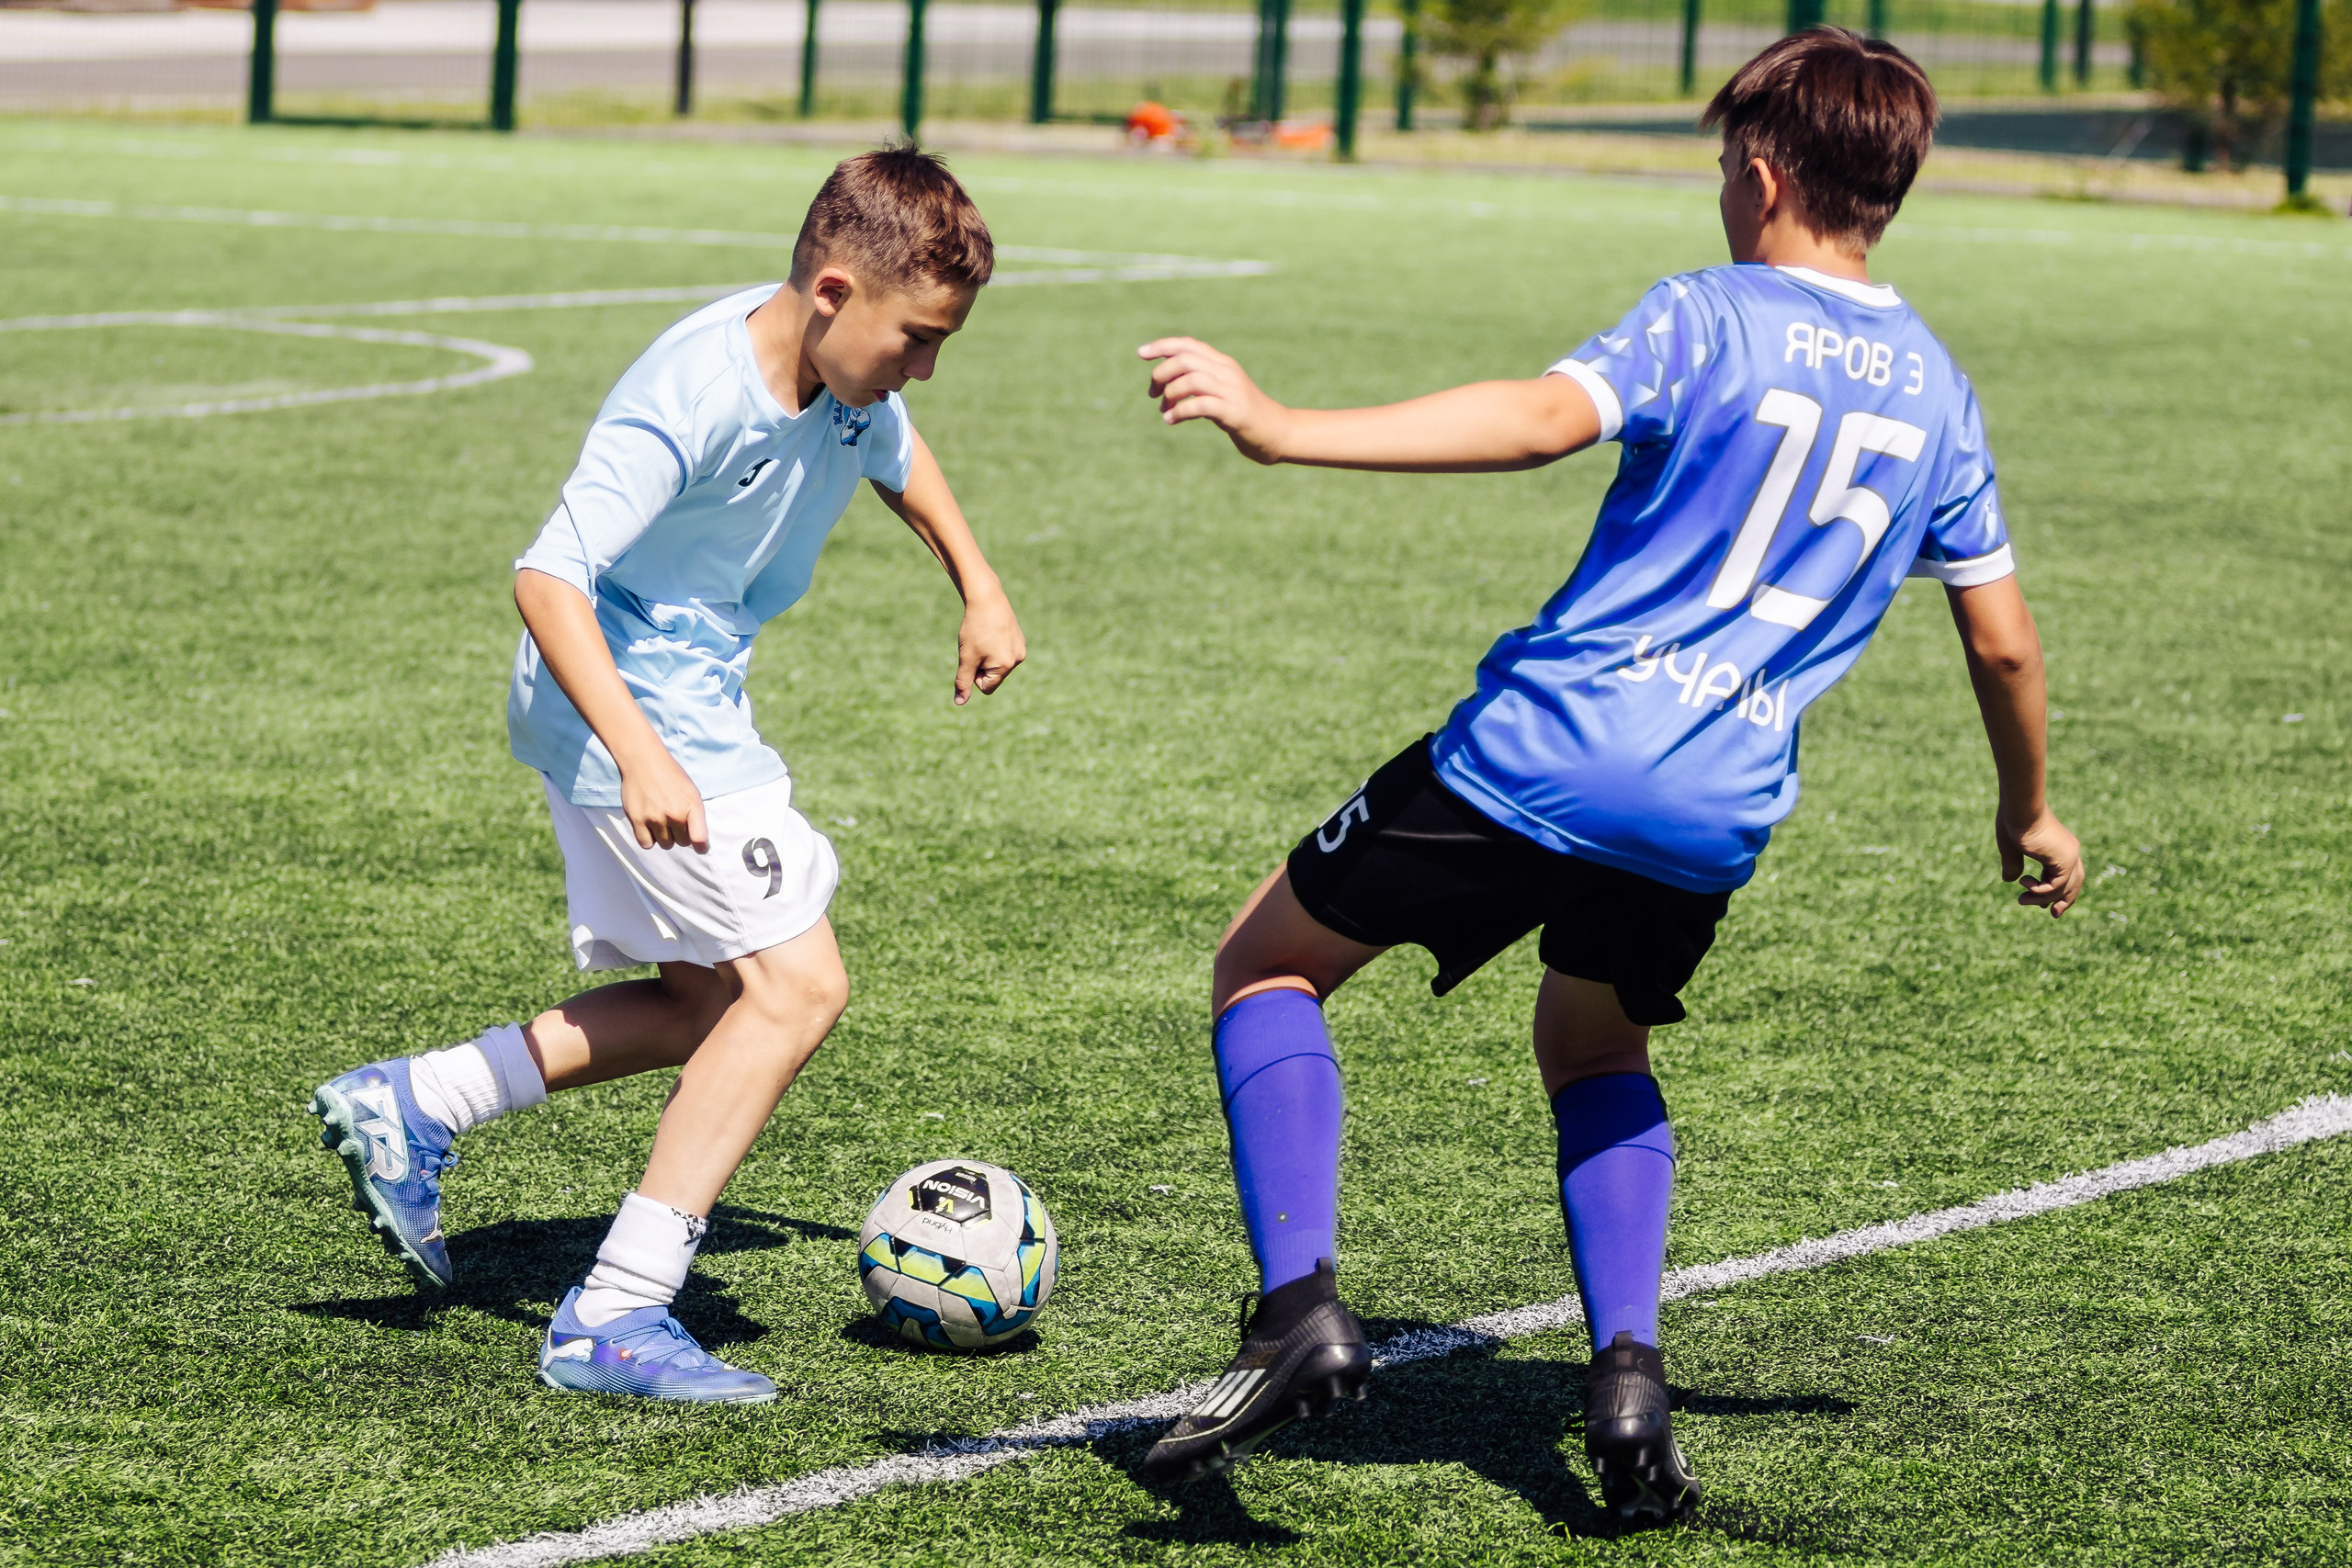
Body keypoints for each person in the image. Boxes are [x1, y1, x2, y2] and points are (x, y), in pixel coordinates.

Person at [1132, 28, 2084, 1519]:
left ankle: (1298, 1305)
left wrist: (1283, 429)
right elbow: (2005, 641)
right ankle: (1630, 1379)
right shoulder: (1938, 392)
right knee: (1594, 1049)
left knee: (1266, 967)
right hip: (1713, 812)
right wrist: (2029, 806)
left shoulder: (1708, 314)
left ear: (1762, 173)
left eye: (1722, 163)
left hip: (1548, 753)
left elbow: (1532, 422)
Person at [310, 147, 1024, 1404]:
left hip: (685, 700)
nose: (924, 367)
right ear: (833, 293)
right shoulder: (693, 391)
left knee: (709, 1004)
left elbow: (900, 456)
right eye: (917, 338)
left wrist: (980, 585)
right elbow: (546, 577)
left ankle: (415, 1104)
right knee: (799, 990)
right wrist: (640, 750)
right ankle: (616, 1312)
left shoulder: (846, 371)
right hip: (633, 710)